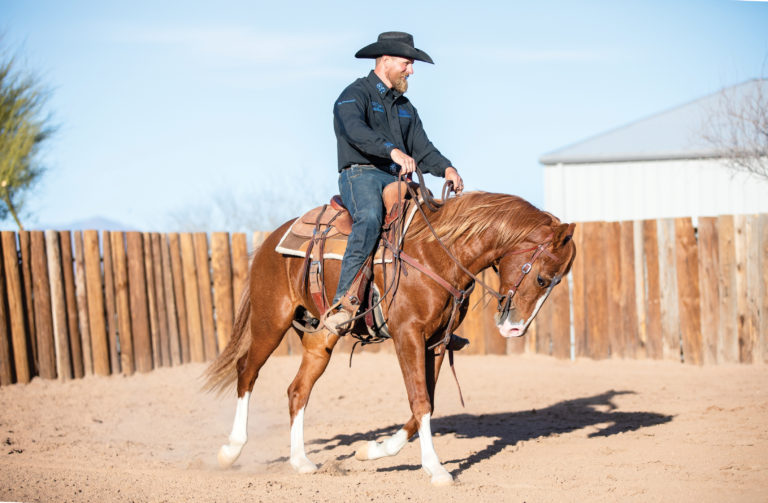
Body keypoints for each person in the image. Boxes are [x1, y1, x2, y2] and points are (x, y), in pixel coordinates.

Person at [324, 31, 464, 335]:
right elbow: (355, 131)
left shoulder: (405, 107)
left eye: (411, 65)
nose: (411, 71)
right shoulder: (354, 95)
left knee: (432, 223)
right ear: (385, 60)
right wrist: (392, 151)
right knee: (370, 218)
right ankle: (343, 303)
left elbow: (423, 148)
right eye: (406, 63)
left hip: (397, 178)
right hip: (361, 175)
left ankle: (432, 316)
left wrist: (447, 168)